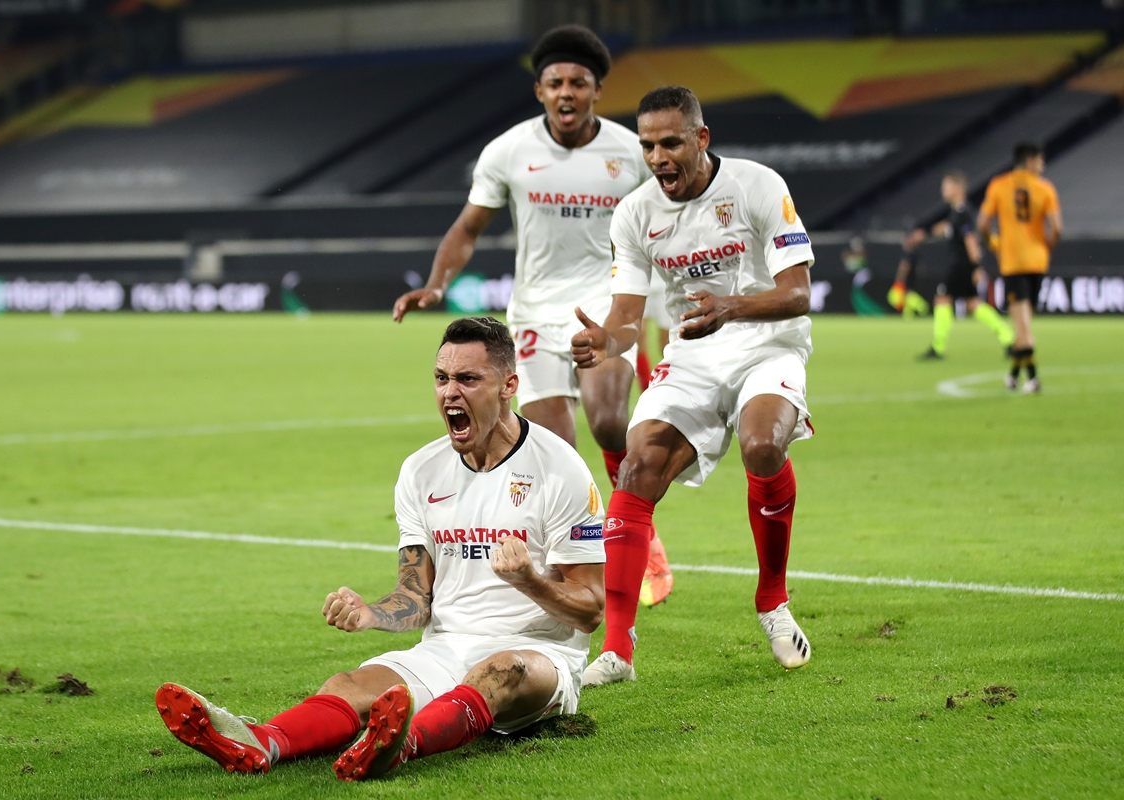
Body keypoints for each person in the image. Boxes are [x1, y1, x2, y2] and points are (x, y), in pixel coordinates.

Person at [155, 317, 607, 781]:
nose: (450, 393)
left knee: (501, 671)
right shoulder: (421, 471)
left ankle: (398, 744)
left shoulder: (561, 471)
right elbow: (415, 598)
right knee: (350, 684)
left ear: (509, 384)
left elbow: (590, 610)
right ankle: (262, 741)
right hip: (446, 649)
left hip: (536, 657)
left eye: (468, 379)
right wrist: (372, 613)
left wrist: (529, 581)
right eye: (441, 378)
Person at [390, 25, 673, 605]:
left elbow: (668, 220)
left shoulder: (629, 151)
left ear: (597, 90)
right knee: (552, 450)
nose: (566, 92)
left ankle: (640, 521)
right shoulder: (510, 151)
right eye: (555, 83)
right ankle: (594, 546)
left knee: (606, 421)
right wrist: (437, 284)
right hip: (536, 313)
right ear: (539, 91)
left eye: (578, 82)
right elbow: (469, 227)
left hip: (606, 300)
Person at [571, 86, 815, 686]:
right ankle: (618, 651)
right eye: (648, 145)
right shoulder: (635, 214)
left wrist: (731, 307)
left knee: (762, 446)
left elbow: (799, 293)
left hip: (768, 345)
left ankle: (773, 603)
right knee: (637, 467)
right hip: (695, 355)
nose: (658, 157)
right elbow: (628, 314)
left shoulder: (758, 186)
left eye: (670, 143)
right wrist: (607, 339)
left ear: (700, 139)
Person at [978, 142, 1062, 393]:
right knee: (1024, 325)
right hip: (1037, 261)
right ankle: (1014, 377)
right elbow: (1057, 228)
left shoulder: (999, 185)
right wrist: (1046, 247)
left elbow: (983, 223)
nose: (1042, 165)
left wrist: (994, 243)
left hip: (1013, 262)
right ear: (1029, 161)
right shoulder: (1045, 188)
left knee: (1022, 327)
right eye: (1040, 161)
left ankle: (1033, 379)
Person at [912, 170, 1015, 360]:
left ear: (958, 189)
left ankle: (938, 347)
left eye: (947, 186)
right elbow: (945, 228)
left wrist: (976, 267)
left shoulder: (963, 212)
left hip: (962, 265)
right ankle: (1008, 338)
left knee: (943, 298)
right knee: (972, 304)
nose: (943, 190)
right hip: (964, 265)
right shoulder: (957, 213)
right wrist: (923, 233)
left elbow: (971, 241)